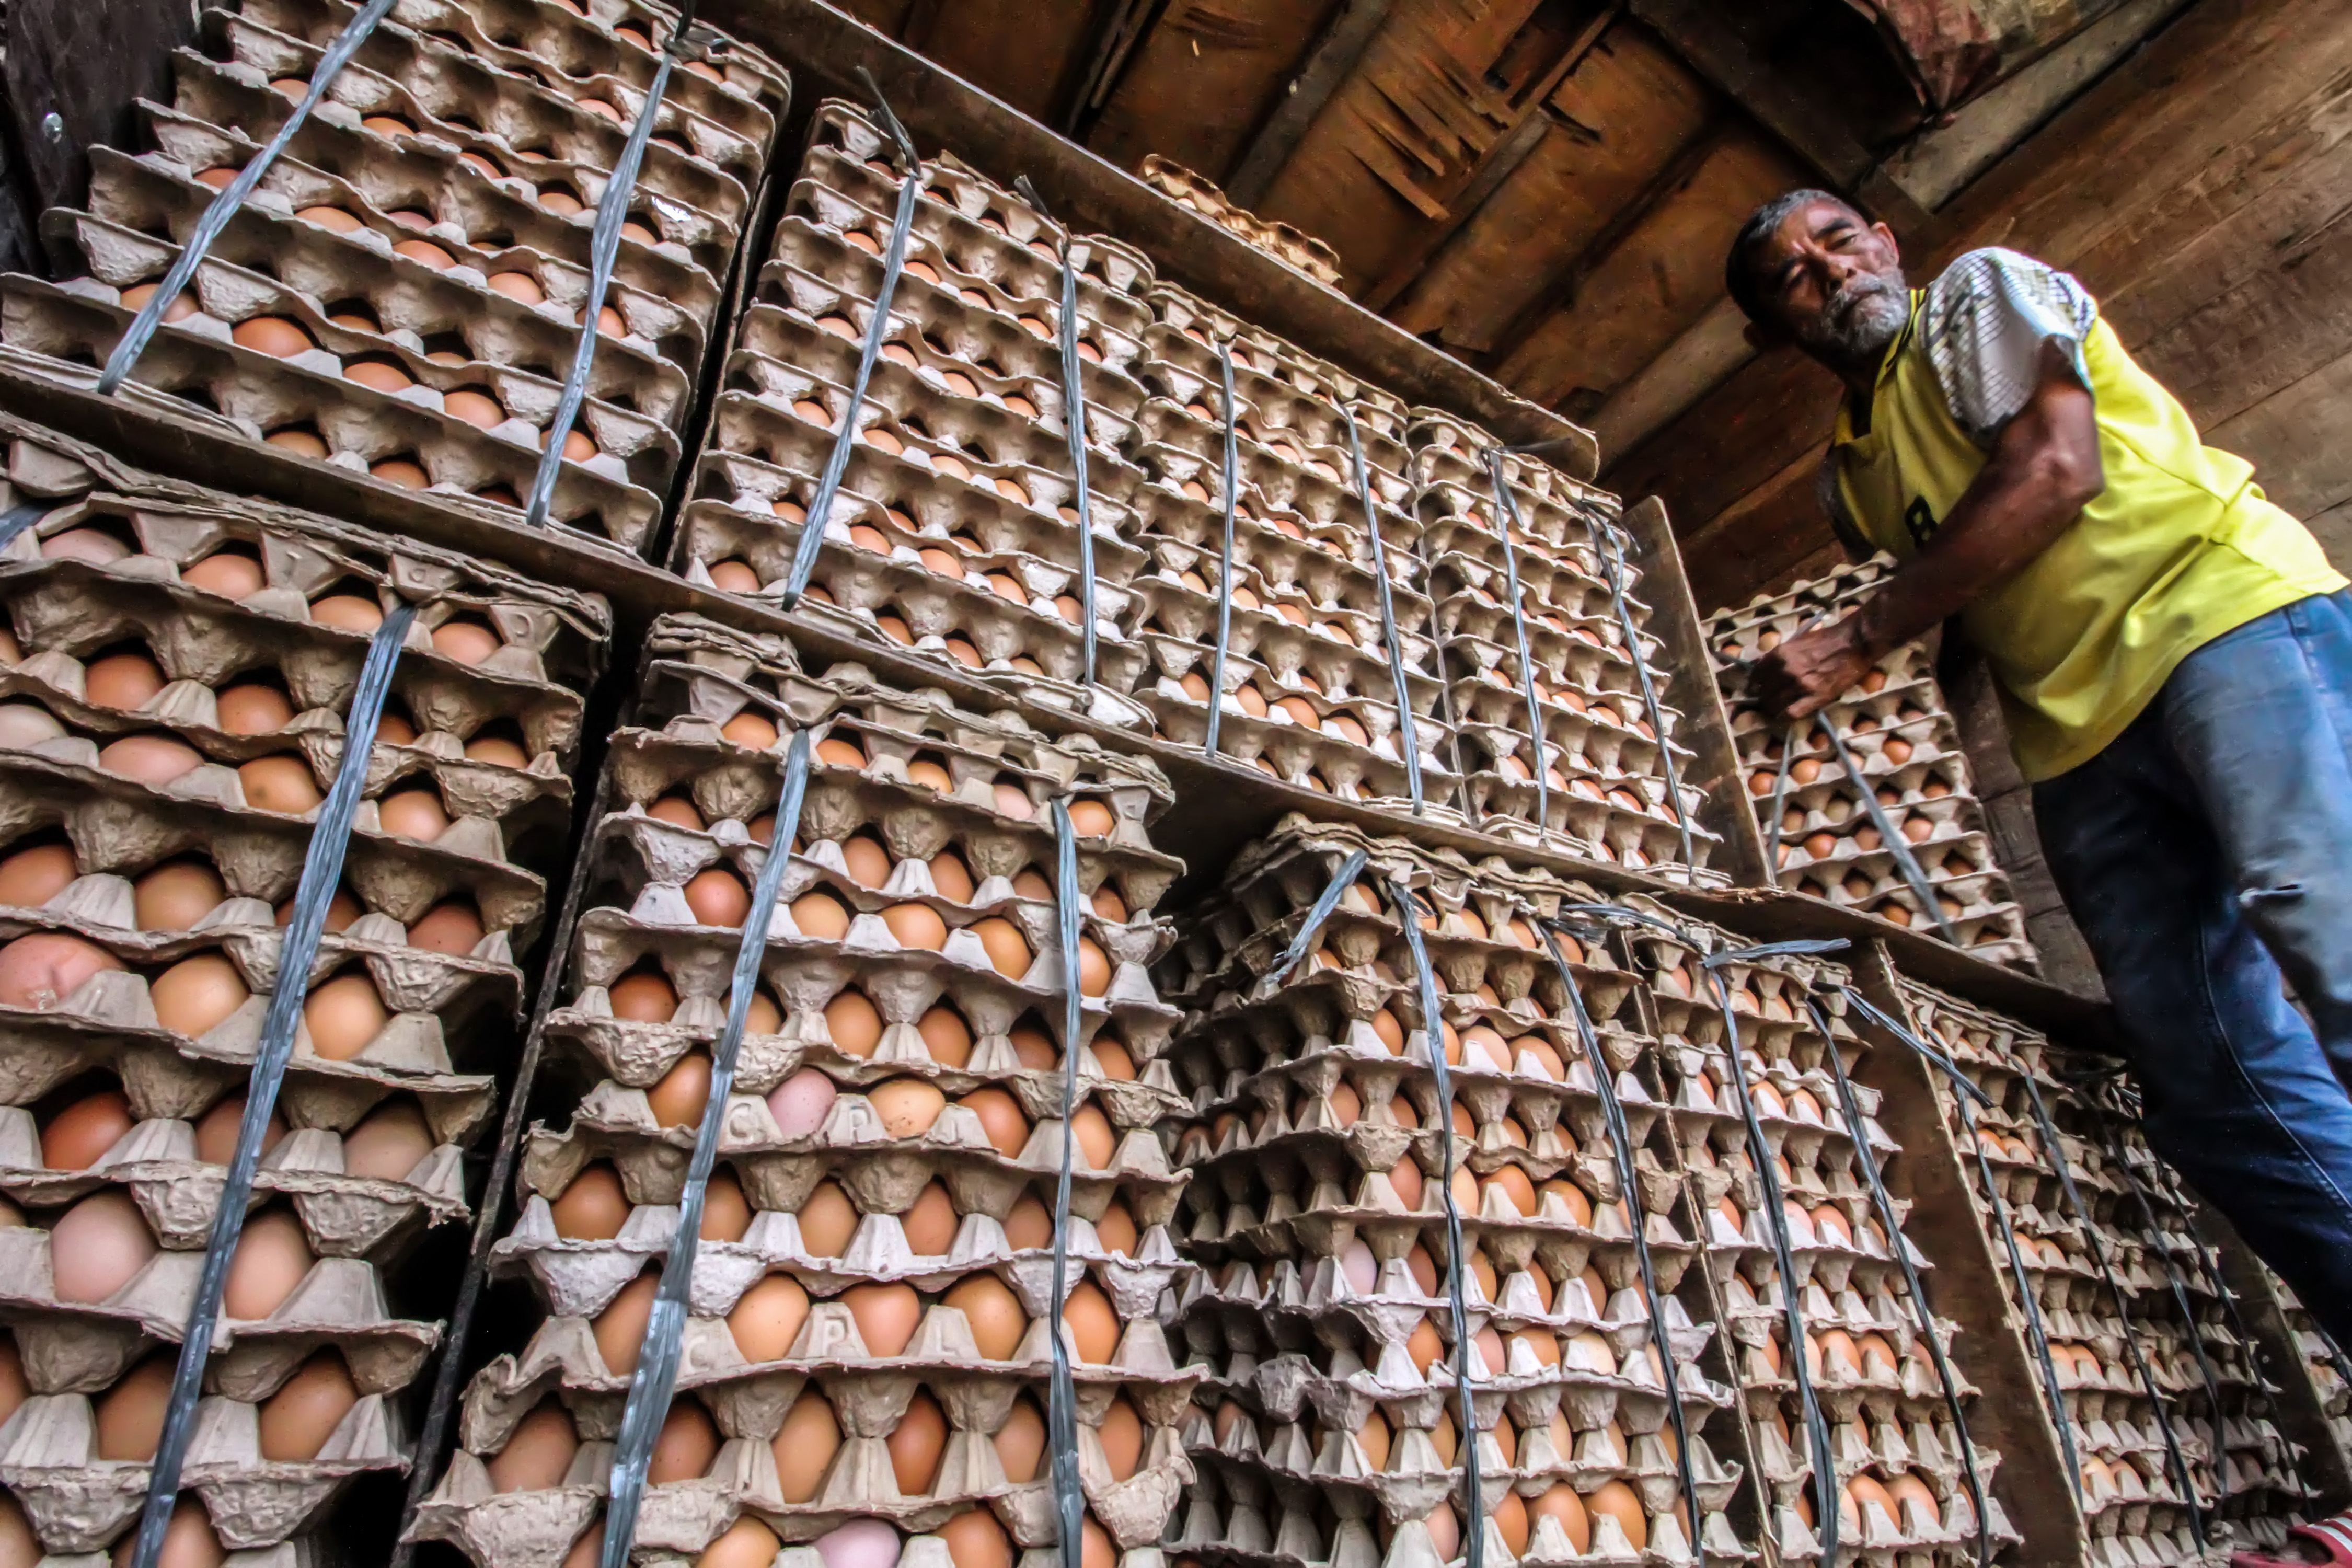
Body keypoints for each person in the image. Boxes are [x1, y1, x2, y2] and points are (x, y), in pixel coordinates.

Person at [1725, 192, 2352, 1553]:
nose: (1823, 276)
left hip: (2215, 621)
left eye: (1834, 240)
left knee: (2331, 947)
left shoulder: (1976, 299)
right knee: (2210, 1084)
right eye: (1786, 280)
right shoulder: (1854, 473)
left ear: (1884, 236)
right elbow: (1970, 595)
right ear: (1775, 330)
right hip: (2078, 736)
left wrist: (1854, 640)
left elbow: (2054, 473)